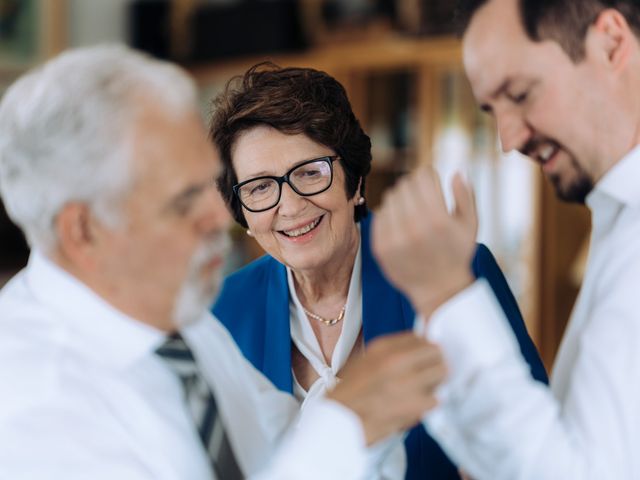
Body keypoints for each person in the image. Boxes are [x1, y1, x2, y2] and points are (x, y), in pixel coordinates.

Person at [0, 44, 447, 480]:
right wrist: (350, 425)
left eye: (209, 187)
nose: (221, 218)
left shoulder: (180, 322)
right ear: (84, 231)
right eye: (183, 199)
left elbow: (284, 442)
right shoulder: (33, 400)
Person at [210, 62, 547, 479]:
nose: (291, 206)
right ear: (242, 211)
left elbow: (530, 453)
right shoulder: (221, 313)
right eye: (260, 186)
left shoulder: (453, 271)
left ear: (354, 183)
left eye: (310, 172)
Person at [371, 0, 640, 478]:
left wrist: (446, 295)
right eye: (493, 109)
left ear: (611, 43)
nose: (508, 139)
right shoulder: (617, 216)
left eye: (519, 94)